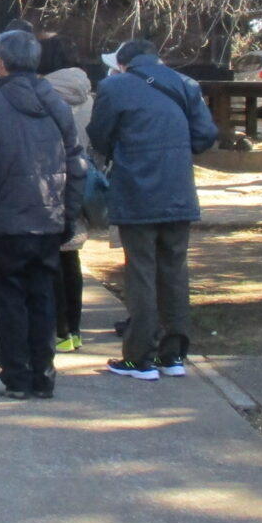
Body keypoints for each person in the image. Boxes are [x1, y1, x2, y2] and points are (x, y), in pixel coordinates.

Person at [87, 38, 220, 381]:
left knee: (141, 271)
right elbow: (205, 135)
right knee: (174, 270)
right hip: (177, 188)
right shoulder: (186, 84)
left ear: (123, 64)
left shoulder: (114, 87)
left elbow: (99, 135)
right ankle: (173, 355)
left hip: (136, 188)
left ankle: (138, 358)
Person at [0, 30, 84, 399]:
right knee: (42, 296)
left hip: (4, 219)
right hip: (48, 215)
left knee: (11, 299)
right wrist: (69, 215)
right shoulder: (57, 104)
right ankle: (43, 374)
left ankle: (15, 375)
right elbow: (75, 164)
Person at [43, 64, 96, 352]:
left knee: (53, 264)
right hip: (82, 183)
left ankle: (60, 330)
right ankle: (74, 329)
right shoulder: (89, 100)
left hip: (53, 184)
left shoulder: (48, 102)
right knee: (71, 259)